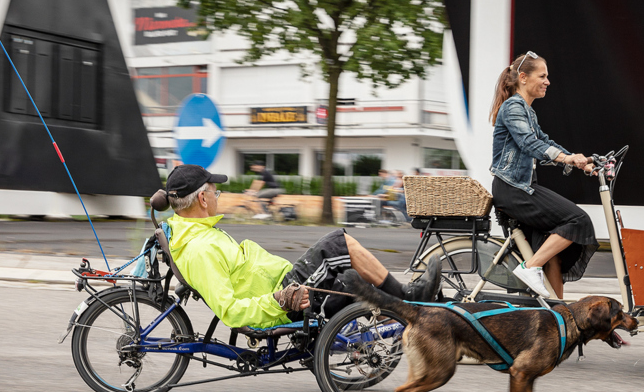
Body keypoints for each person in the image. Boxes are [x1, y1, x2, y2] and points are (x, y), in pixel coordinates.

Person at [162, 164, 440, 328]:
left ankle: (404, 310)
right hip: (285, 298)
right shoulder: (200, 248)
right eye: (214, 191)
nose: (217, 197)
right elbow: (231, 312)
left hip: (283, 286)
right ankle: (409, 298)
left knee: (351, 280)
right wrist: (279, 300)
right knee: (338, 243)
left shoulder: (194, 232)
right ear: (201, 200)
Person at [489, 51, 598, 300]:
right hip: (513, 190)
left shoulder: (528, 111)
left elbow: (544, 142)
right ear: (524, 77)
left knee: (555, 257)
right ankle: (529, 268)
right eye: (543, 76)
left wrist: (579, 161)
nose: (548, 81)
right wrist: (567, 158)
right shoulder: (513, 107)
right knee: (578, 220)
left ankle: (560, 321)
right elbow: (529, 143)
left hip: (521, 188)